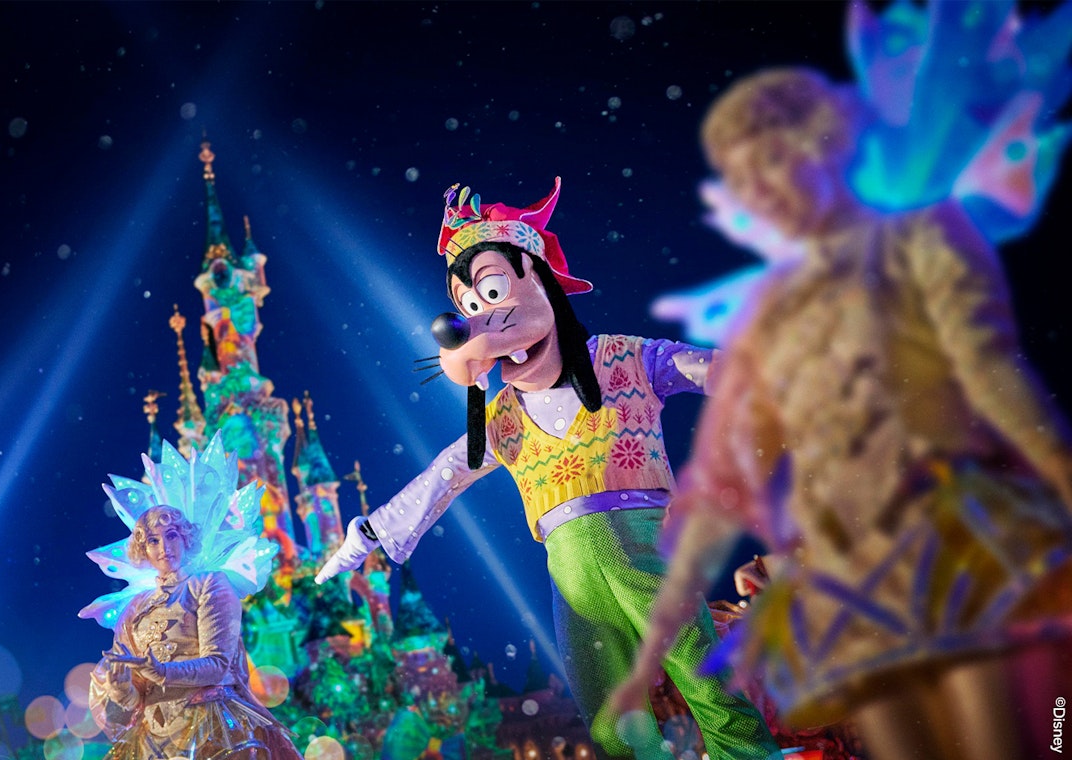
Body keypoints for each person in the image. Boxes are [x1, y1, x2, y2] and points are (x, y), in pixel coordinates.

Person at [608, 67, 1072, 760]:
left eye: (769, 158)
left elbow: (990, 372)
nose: (759, 189)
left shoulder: (920, 237)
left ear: (822, 145)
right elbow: (722, 476)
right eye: (741, 173)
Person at [316, 178, 781, 759]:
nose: (483, 323)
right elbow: (444, 474)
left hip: (648, 548)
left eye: (493, 290)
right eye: (468, 308)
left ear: (540, 282)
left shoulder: (623, 359)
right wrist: (367, 534)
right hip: (569, 574)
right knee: (609, 713)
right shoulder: (502, 419)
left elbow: (711, 369)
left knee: (705, 683)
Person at [89, 505, 303, 760]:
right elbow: (136, 698)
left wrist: (163, 672)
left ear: (185, 538)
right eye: (153, 541)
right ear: (143, 550)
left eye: (171, 535)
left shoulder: (209, 584)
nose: (164, 547)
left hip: (212, 731)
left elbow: (218, 664)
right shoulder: (135, 608)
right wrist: (121, 688)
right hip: (152, 741)